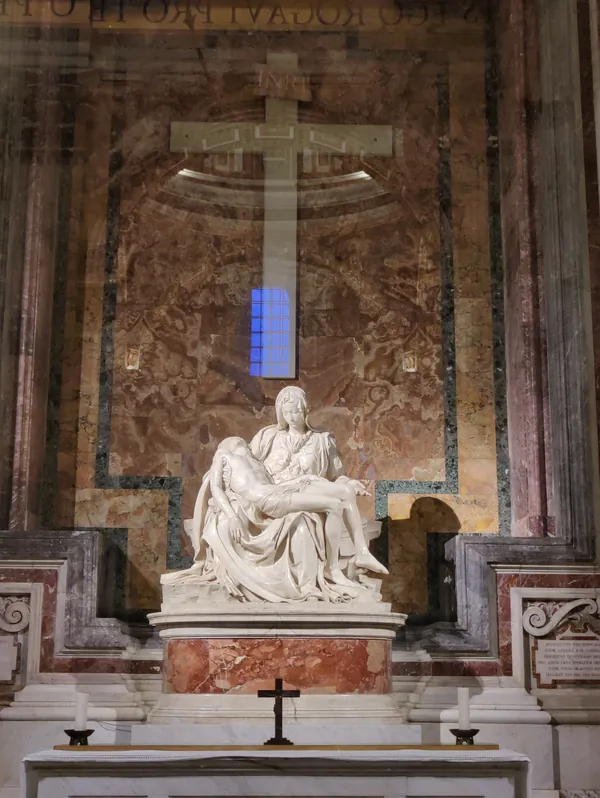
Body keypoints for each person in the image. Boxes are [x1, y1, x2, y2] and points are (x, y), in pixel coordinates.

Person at [250, 386, 386, 575]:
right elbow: (246, 466)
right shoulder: (267, 437)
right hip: (277, 494)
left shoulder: (322, 441)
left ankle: (361, 552)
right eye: (286, 412)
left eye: (295, 411)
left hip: (310, 489)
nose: (291, 417)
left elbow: (337, 476)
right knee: (317, 511)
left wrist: (349, 483)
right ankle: (339, 565)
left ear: (305, 409)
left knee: (345, 491)